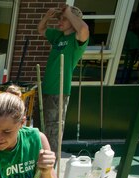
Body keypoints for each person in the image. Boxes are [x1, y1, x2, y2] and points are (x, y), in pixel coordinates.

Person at [38, 4, 89, 155]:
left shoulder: (76, 40)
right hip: (46, 88)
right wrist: (47, 17)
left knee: (53, 132)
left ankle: (49, 169)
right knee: (42, 129)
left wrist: (69, 13)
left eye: (64, 19)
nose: (60, 22)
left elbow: (84, 29)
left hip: (58, 92)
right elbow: (41, 29)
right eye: (59, 19)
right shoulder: (58, 36)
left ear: (73, 22)